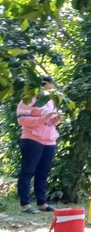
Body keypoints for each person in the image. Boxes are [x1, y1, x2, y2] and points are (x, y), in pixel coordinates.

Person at [17, 76, 61, 213]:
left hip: (50, 140)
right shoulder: (29, 98)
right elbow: (21, 119)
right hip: (32, 138)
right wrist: (42, 119)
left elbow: (52, 121)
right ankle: (25, 204)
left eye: (51, 86)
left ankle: (42, 203)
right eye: (47, 86)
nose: (50, 88)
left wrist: (56, 119)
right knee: (28, 171)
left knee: (43, 172)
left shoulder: (51, 101)